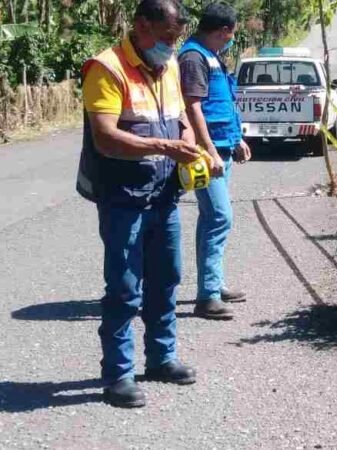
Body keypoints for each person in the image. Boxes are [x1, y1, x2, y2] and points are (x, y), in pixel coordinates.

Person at [76, 0, 198, 408]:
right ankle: (118, 376)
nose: (171, 45)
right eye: (165, 37)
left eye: (176, 37)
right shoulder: (107, 68)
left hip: (164, 196)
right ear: (141, 25)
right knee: (125, 289)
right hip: (124, 199)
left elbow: (180, 116)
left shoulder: (171, 65)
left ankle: (161, 357)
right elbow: (106, 138)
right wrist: (165, 145)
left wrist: (191, 143)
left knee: (166, 279)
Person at [178, 2, 251, 320]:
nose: (232, 38)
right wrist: (207, 151)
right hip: (208, 152)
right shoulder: (193, 57)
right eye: (231, 34)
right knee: (220, 217)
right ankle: (206, 297)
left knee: (210, 218)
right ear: (223, 31)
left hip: (223, 147)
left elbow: (222, 103)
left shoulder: (211, 55)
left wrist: (237, 140)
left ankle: (214, 284)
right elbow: (193, 108)